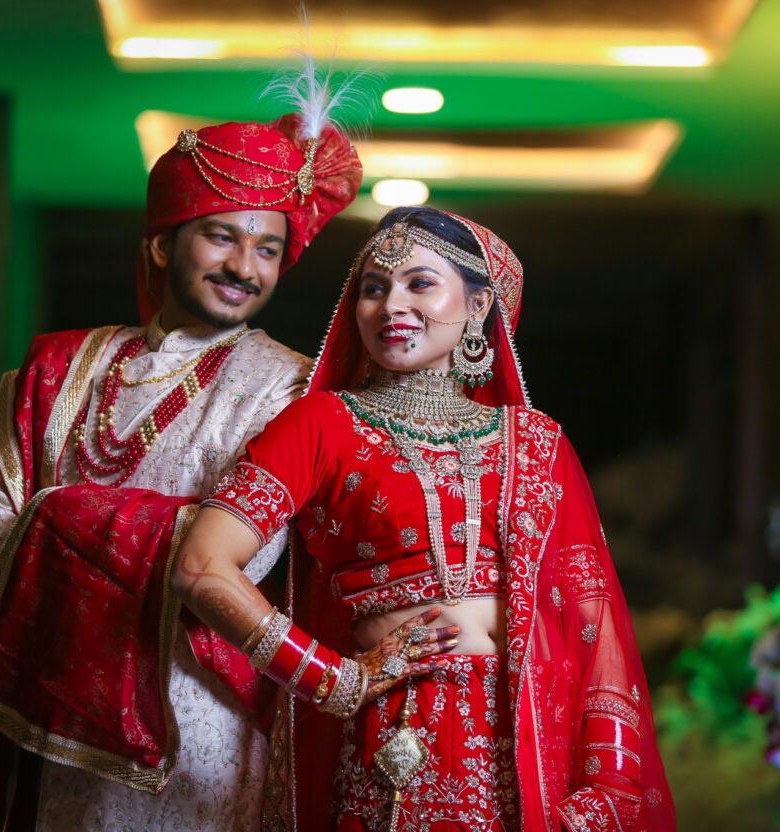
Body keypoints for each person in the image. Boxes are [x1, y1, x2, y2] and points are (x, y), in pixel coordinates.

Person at [172, 206, 676, 832]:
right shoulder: (323, 424)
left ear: (479, 306)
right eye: (373, 288)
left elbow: (589, 620)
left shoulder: (536, 442)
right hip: (397, 745)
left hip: (532, 756)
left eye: (420, 283)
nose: (391, 306)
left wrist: (609, 785)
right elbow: (200, 567)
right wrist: (335, 679)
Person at [0, 109, 363, 831]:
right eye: (221, 236)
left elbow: (244, 566)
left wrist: (55, 519)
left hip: (202, 731)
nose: (243, 267)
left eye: (267, 248)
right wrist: (155, 540)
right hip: (45, 713)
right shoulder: (58, 373)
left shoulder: (293, 391)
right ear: (164, 244)